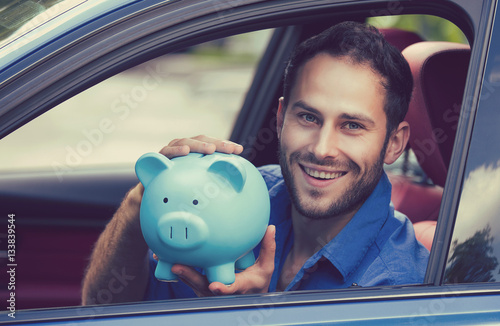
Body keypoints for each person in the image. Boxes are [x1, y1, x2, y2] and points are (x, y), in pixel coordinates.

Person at [81, 21, 429, 304]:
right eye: (308, 117)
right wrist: (141, 200)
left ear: (393, 143)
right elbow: (99, 311)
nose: (323, 149)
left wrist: (253, 312)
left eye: (351, 126)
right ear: (280, 118)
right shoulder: (234, 196)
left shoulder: (399, 288)